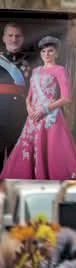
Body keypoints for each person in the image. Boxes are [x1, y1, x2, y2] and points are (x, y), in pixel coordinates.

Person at [0, 37, 76, 181]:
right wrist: (29, 108)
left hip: (49, 117)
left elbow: (66, 98)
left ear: (56, 54)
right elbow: (29, 95)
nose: (46, 54)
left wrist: (45, 110)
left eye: (50, 51)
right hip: (33, 117)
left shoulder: (60, 70)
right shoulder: (36, 71)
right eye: (43, 51)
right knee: (26, 150)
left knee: (49, 151)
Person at [0, 23, 32, 168]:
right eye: (10, 35)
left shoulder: (30, 63)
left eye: (17, 36)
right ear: (4, 38)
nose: (14, 39)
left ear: (23, 39)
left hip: (20, 117)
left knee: (16, 162)